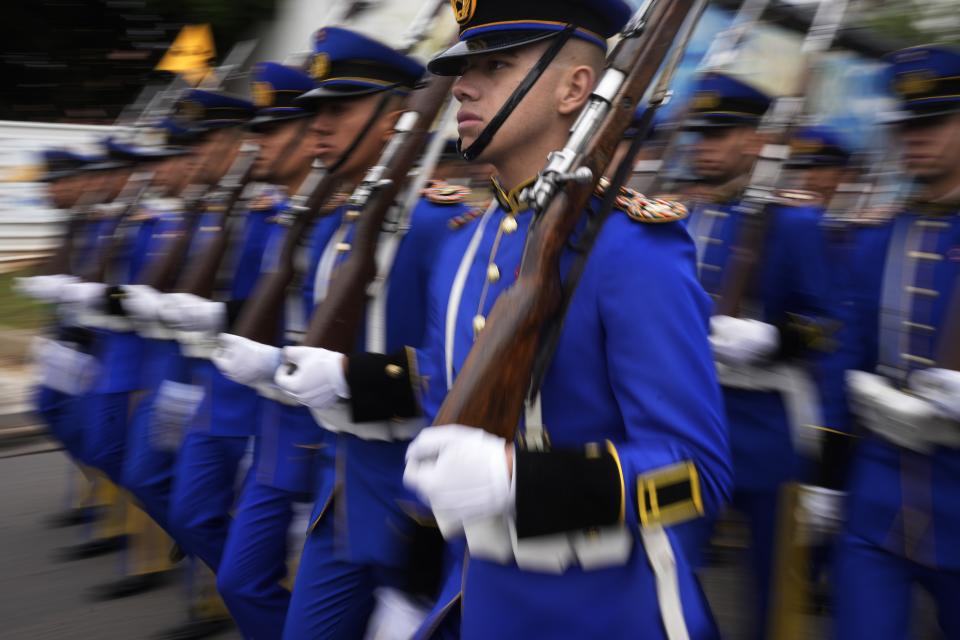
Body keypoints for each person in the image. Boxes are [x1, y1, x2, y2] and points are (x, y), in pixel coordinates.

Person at [272, 2, 731, 638]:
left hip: (607, 612)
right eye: (465, 67)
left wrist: (522, 481)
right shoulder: (466, 241)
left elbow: (695, 472)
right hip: (477, 596)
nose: (462, 85)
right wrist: (351, 377)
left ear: (575, 88)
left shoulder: (631, 247)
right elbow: (443, 380)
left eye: (495, 66)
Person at [212, 28, 471, 639]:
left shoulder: (443, 224)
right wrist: (277, 362)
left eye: (339, 108)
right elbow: (317, 344)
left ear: (397, 121)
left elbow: (460, 364)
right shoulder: (340, 224)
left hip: (418, 497)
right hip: (345, 486)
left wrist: (352, 379)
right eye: (317, 110)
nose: (318, 124)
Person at [682, 71, 844, 637]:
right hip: (691, 420)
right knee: (670, 571)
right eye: (699, 135)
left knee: (776, 598)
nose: (703, 147)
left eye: (719, 135)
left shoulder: (794, 223)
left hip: (769, 428)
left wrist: (773, 337)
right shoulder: (683, 217)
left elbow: (828, 328)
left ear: (754, 142)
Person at [835, 45, 960, 639]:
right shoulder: (876, 238)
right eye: (907, 124)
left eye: (933, 121)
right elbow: (846, 355)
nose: (915, 136)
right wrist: (828, 478)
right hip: (876, 506)